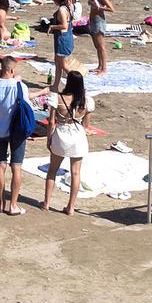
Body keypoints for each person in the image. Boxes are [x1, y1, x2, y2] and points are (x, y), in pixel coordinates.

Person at [39, 68, 93, 215]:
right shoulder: (86, 101)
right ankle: (71, 207)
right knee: (76, 173)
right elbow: (86, 125)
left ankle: (46, 203)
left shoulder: (57, 98)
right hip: (77, 136)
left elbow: (51, 122)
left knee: (52, 170)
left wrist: (49, 139)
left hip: (61, 134)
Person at [0, 57, 32, 215]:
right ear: (12, 70)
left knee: (0, 165)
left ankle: (1, 202)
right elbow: (27, 104)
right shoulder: (20, 86)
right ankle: (13, 205)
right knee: (16, 167)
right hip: (16, 130)